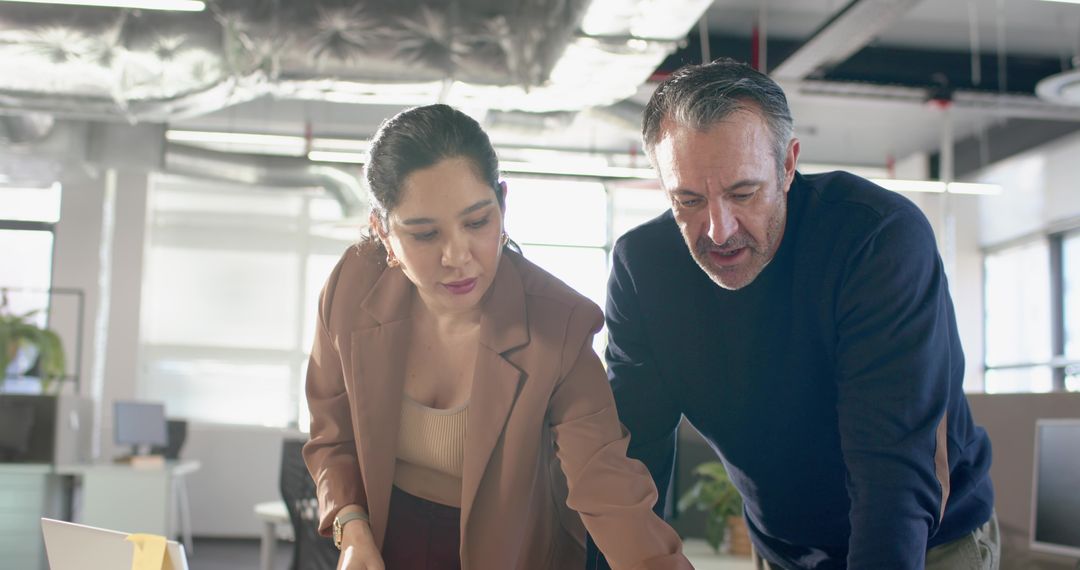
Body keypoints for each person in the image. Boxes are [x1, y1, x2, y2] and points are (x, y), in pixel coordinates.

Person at [588, 59, 998, 570]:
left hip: (926, 542)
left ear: (787, 166)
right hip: (784, 550)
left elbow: (891, 470)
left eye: (743, 193)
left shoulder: (875, 240)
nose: (718, 230)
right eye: (688, 200)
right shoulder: (644, 269)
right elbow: (631, 459)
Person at [303, 104, 692, 570]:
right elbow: (332, 435)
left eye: (477, 222)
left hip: (511, 553)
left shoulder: (558, 323)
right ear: (382, 233)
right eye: (424, 234)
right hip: (384, 540)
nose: (457, 256)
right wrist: (350, 526)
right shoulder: (351, 287)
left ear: (502, 206)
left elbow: (606, 485)